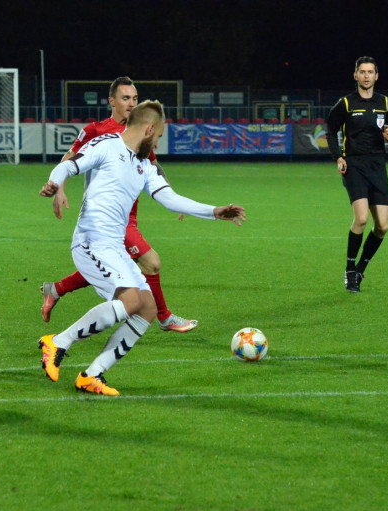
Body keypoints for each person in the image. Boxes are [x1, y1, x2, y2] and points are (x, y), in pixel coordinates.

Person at [37, 100, 246, 396]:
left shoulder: (143, 165)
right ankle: (57, 342)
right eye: (158, 136)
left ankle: (92, 375)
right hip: (91, 240)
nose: (158, 142)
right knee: (132, 300)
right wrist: (54, 183)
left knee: (146, 308)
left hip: (114, 247)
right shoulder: (107, 145)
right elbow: (70, 164)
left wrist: (214, 211)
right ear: (149, 129)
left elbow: (170, 198)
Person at [40, 76, 198, 332]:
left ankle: (55, 289)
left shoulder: (140, 130)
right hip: (108, 219)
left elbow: (153, 166)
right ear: (111, 101)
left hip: (129, 216)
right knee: (152, 262)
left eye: (135, 98)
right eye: (126, 98)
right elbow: (71, 156)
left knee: (117, 264)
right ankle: (163, 317)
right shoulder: (97, 130)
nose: (131, 103)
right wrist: (59, 188)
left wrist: (173, 197)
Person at [326, 56, 388, 293]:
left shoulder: (385, 103)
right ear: (355, 75)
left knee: (383, 226)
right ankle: (349, 271)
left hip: (378, 167)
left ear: (376, 76)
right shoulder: (346, 104)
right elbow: (330, 130)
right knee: (361, 219)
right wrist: (338, 157)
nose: (366, 76)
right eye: (362, 72)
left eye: (370, 72)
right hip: (354, 166)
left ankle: (360, 270)